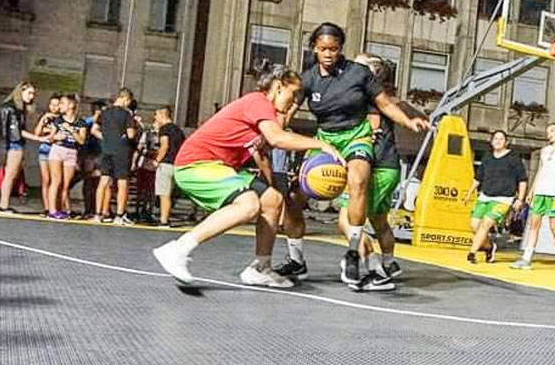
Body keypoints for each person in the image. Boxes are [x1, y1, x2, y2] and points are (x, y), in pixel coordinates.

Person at [152, 64, 337, 287]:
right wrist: (321, 145)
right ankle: (177, 250)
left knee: (272, 200)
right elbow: (277, 139)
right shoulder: (258, 102)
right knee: (249, 205)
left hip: (222, 166)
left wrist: (272, 186)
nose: (296, 100)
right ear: (279, 86)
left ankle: (260, 268)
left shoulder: (265, 114)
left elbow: (262, 153)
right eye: (293, 93)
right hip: (196, 164)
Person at [278, 22, 429, 285]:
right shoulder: (308, 79)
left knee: (358, 180)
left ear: (340, 49)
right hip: (325, 139)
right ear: (314, 48)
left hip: (356, 135)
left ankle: (353, 251)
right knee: (293, 195)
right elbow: (288, 111)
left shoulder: (358, 73)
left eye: (334, 49)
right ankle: (296, 259)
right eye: (323, 49)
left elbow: (384, 104)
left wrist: (408, 121)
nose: (328, 54)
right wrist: (275, 130)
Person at [328, 53, 405, 292]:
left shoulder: (367, 97)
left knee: (346, 219)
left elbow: (369, 132)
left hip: (377, 168)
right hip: (388, 167)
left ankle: (376, 271)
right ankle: (389, 264)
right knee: (379, 220)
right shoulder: (378, 96)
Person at [511, 123, 555, 272]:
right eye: (547, 131)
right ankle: (526, 258)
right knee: (534, 226)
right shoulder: (544, 150)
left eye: (552, 131)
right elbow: (540, 171)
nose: (549, 134)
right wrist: (531, 191)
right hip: (540, 192)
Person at [464, 130, 527, 264]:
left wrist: (520, 199)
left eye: (501, 139)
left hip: (503, 199)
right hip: (485, 196)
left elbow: (522, 180)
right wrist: (469, 192)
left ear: (506, 142)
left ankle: (472, 253)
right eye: (495, 139)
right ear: (491, 142)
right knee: (474, 225)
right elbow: (478, 177)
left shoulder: (513, 158)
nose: (498, 141)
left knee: (486, 223)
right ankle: (489, 247)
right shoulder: (487, 157)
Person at [93, 88, 138, 224]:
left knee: (104, 180)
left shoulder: (104, 112)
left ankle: (98, 214)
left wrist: (106, 139)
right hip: (121, 150)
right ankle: (120, 215)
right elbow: (131, 134)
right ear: (126, 99)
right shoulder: (127, 114)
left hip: (107, 149)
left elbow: (94, 130)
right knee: (122, 182)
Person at [41, 94, 88, 219]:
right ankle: (51, 210)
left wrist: (71, 130)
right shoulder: (58, 120)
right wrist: (55, 137)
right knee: (56, 181)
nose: (59, 106)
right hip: (58, 150)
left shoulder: (81, 123)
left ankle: (60, 208)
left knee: (66, 185)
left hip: (71, 152)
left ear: (71, 105)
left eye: (62, 103)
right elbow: (50, 138)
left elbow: (82, 141)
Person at [0, 82, 42, 214]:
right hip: (14, 144)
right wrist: (39, 138)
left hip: (11, 143)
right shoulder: (12, 109)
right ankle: (3, 205)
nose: (31, 96)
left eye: (33, 93)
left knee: (10, 174)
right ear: (20, 92)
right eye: (29, 93)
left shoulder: (13, 108)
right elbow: (17, 131)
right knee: (10, 174)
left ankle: (4, 204)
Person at [153, 105, 186, 227]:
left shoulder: (164, 129)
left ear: (162, 115)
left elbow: (164, 146)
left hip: (165, 163)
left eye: (156, 115)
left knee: (164, 194)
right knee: (169, 192)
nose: (155, 118)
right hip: (176, 164)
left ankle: (164, 220)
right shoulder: (178, 130)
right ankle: (165, 216)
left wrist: (157, 160)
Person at [79, 100, 105, 218]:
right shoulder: (87, 122)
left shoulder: (104, 122)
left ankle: (95, 208)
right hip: (89, 154)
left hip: (99, 154)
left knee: (97, 182)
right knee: (89, 182)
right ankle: (88, 208)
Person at [35, 95, 61, 216]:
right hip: (45, 149)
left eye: (57, 105)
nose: (54, 107)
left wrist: (48, 131)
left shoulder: (62, 119)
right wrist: (43, 119)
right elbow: (37, 133)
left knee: (56, 180)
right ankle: (46, 207)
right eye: (52, 104)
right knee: (46, 180)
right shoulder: (47, 118)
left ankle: (56, 206)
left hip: (57, 150)